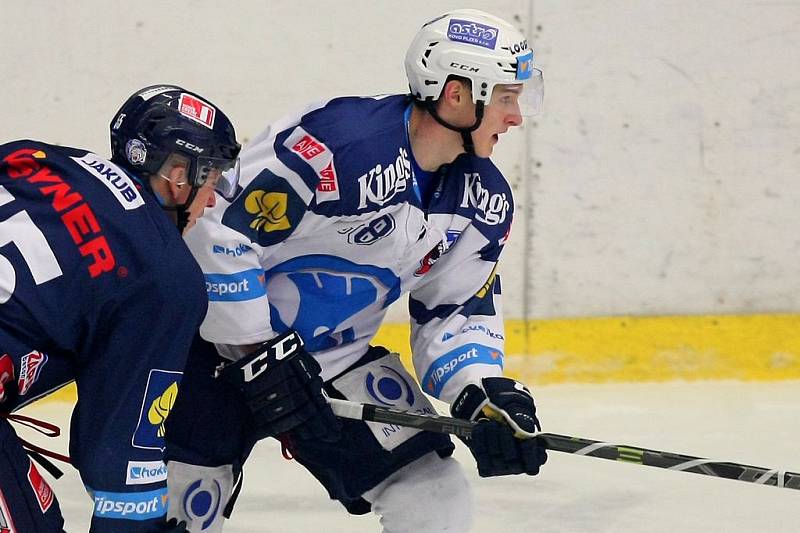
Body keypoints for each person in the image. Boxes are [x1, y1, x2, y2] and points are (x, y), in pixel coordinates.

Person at [165, 9, 547, 532]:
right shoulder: (338, 145)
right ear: (457, 95)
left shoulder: (482, 201)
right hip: (211, 352)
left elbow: (453, 311)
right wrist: (259, 352)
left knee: (433, 491)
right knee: (180, 515)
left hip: (330, 360)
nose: (516, 117)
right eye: (506, 97)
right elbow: (220, 229)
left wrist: (481, 392)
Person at [0, 84, 241, 532]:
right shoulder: (164, 275)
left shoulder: (38, 158)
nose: (211, 201)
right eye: (211, 178)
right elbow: (120, 459)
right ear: (177, 173)